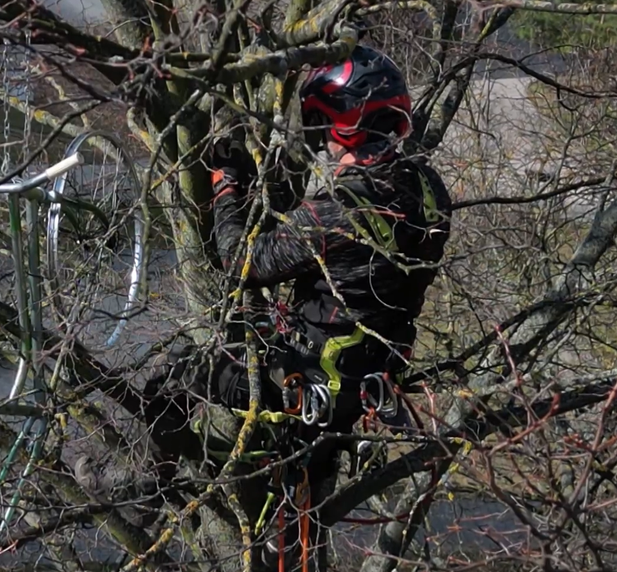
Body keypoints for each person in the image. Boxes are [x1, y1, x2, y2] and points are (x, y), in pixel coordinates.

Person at [142, 43, 452, 565]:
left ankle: (153, 495)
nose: (324, 142)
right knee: (300, 524)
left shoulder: (341, 208)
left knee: (172, 379)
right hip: (367, 380)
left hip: (309, 383)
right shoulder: (428, 189)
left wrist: (226, 190)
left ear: (344, 124)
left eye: (325, 128)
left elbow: (244, 261)